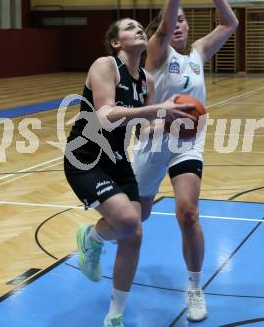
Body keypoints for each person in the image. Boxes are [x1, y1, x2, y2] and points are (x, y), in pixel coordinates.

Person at [63, 17, 196, 327]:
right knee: (127, 221)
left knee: (134, 231)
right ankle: (94, 238)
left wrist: (171, 126)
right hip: (85, 158)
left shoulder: (145, 81)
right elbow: (106, 115)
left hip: (117, 159)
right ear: (116, 42)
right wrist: (155, 110)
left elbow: (144, 130)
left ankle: (115, 314)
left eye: (140, 26)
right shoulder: (105, 65)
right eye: (129, 27)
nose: (138, 29)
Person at [133, 0, 238, 322]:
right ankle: (95, 237)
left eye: (182, 20)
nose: (176, 25)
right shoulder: (157, 52)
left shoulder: (196, 54)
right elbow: (162, 28)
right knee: (137, 217)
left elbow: (229, 25)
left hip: (186, 144)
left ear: (189, 25)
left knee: (187, 213)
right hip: (151, 142)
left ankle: (194, 288)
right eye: (171, 20)